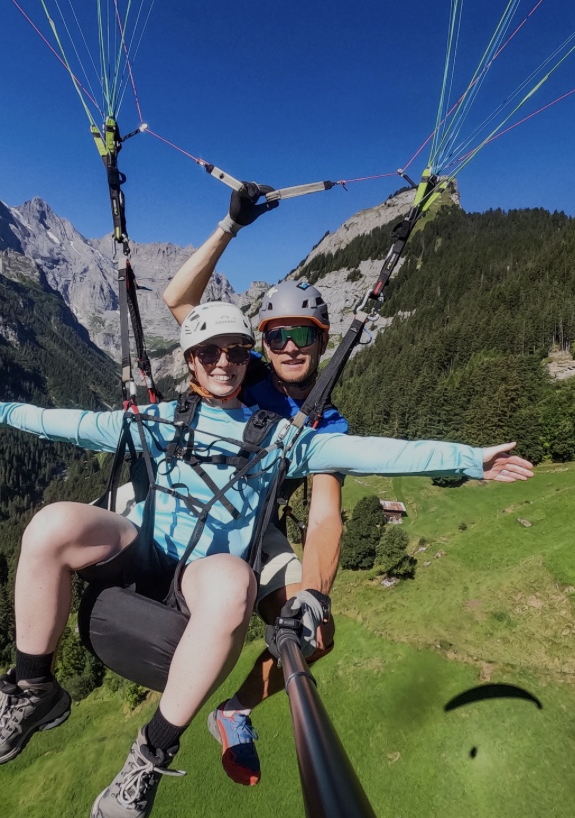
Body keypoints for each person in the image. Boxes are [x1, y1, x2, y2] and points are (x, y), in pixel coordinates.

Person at [0, 300, 533, 818]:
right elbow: (84, 428)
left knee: (236, 578)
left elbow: (371, 451)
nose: (223, 362)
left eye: (235, 352)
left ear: (245, 360)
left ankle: (150, 753)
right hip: (143, 547)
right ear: (190, 360)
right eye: (210, 352)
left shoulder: (286, 439)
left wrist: (468, 460)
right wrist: (10, 412)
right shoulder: (161, 420)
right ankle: (36, 689)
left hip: (204, 575)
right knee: (50, 524)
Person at [162, 183, 346, 786]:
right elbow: (177, 300)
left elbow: (325, 516)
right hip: (201, 503)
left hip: (261, 527)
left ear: (322, 340)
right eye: (278, 336)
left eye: (305, 336)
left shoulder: (328, 421)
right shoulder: (237, 369)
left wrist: (314, 591)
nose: (290, 348)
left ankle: (235, 709)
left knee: (316, 633)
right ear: (261, 341)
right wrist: (229, 225)